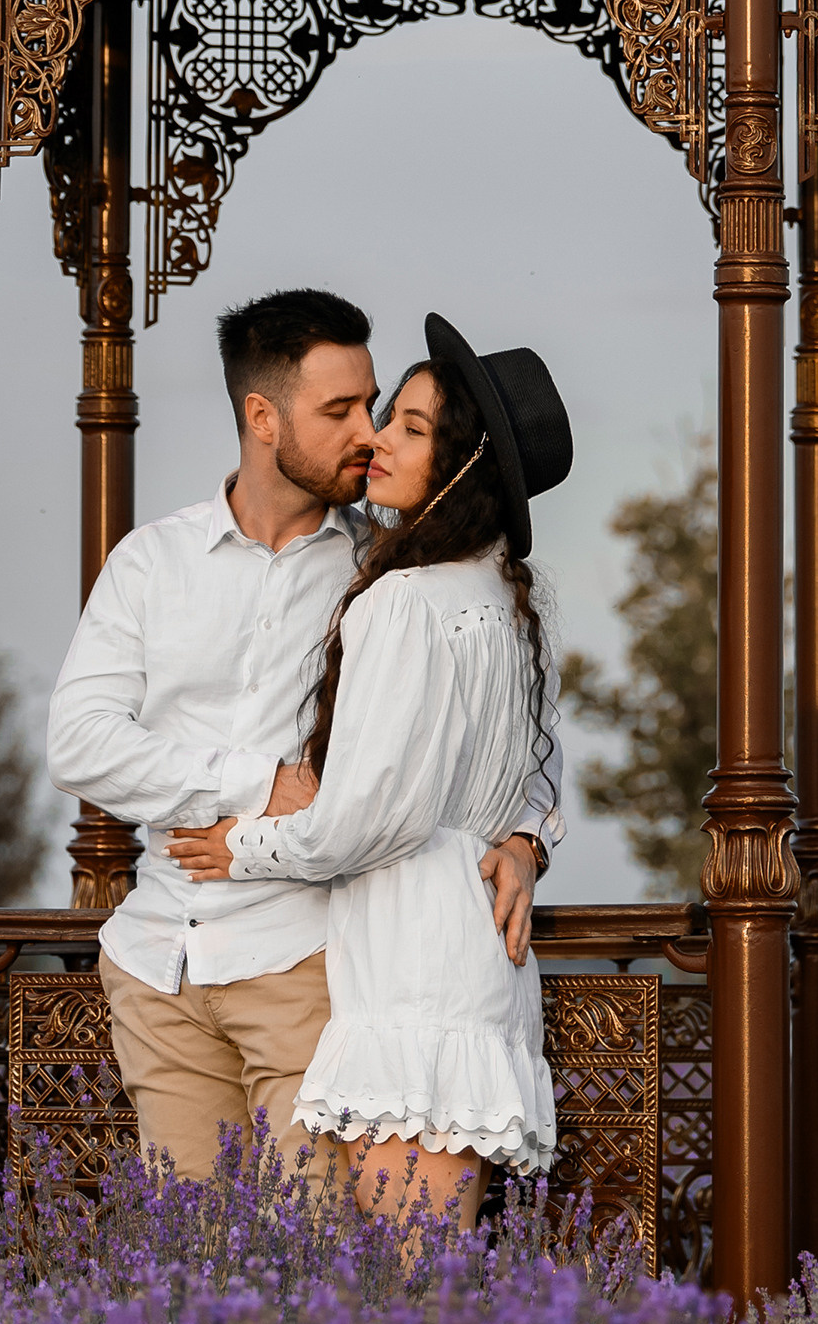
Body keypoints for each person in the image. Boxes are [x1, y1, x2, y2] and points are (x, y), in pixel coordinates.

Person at [46, 287, 549, 1183]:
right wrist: (255, 782)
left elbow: (516, 731)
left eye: (378, 407)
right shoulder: (150, 562)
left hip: (304, 964)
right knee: (189, 1273)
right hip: (157, 960)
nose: (368, 431)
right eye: (343, 410)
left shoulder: (390, 573)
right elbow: (80, 743)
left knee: (313, 1260)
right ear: (263, 418)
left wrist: (522, 839)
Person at [167, 312, 568, 1227]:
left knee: (408, 1288)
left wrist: (244, 846)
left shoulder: (403, 602)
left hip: (411, 967)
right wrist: (522, 841)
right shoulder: (515, 599)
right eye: (392, 416)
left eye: (413, 429)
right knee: (428, 1274)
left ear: (464, 465)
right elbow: (545, 771)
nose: (377, 439)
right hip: (473, 952)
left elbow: (363, 821)